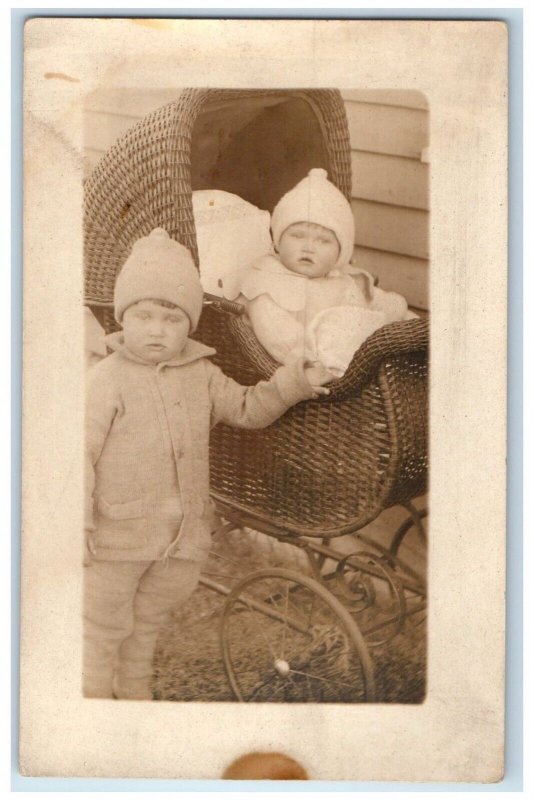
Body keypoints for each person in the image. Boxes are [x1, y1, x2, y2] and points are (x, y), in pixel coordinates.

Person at [84, 227, 333, 700]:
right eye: (144, 316)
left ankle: (134, 694)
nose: (157, 329)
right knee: (102, 626)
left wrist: (293, 383)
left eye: (172, 318)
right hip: (116, 537)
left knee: (148, 622)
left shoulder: (202, 373)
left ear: (190, 325)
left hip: (181, 541)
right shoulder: (106, 380)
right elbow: (77, 454)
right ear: (123, 318)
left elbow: (245, 407)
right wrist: (77, 521)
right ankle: (93, 706)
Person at [223, 168, 416, 377]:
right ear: (277, 242)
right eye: (297, 236)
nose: (308, 247)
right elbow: (275, 331)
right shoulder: (266, 282)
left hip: (359, 361)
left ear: (339, 253)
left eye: (323, 241)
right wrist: (305, 361)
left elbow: (378, 307)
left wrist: (403, 317)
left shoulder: (345, 277)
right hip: (310, 366)